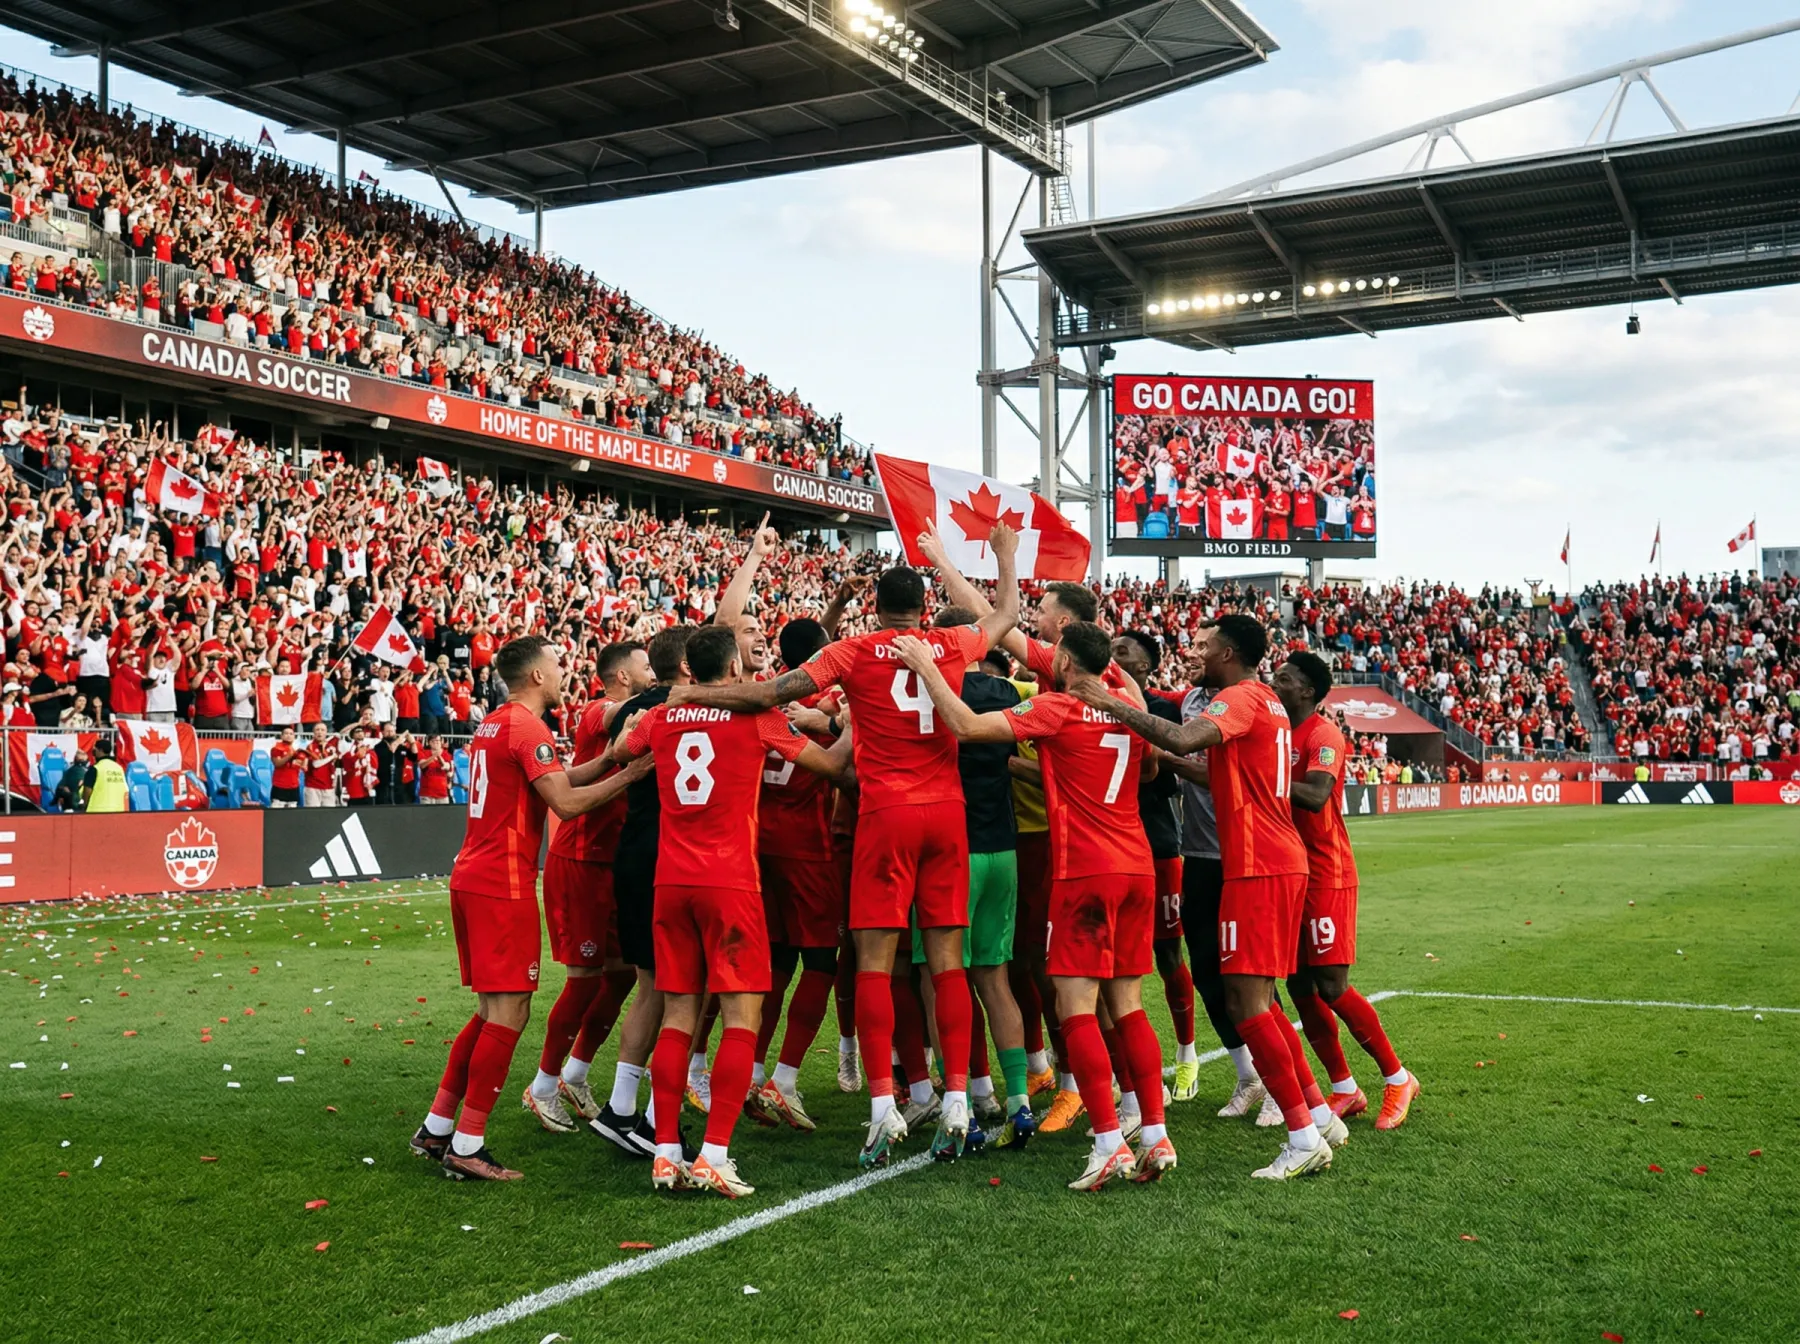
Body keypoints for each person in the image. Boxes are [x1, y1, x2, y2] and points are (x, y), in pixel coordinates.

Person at [668, 523, 1021, 1168]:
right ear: (919, 606)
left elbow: (773, 692)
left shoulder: (853, 652)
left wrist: (696, 692)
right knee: (947, 964)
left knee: (874, 965)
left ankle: (884, 1108)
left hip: (884, 815)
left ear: (875, 608)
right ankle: (958, 1102)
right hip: (948, 816)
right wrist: (1000, 556)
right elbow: (1003, 615)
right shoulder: (949, 643)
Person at [892, 622, 1175, 1190]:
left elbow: (969, 727)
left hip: (1086, 871)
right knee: (1128, 1005)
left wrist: (926, 668)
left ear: (1066, 662)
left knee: (1075, 1005)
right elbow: (1149, 769)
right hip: (1137, 864)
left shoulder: (1058, 708)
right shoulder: (1124, 705)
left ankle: (1105, 1144)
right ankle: (1154, 1135)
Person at [1070, 613, 1349, 1180]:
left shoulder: (1240, 699)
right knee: (1260, 1002)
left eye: (1204, 644)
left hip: (1257, 865)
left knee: (1248, 1005)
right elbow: (1213, 770)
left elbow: (1178, 733)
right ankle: (1319, 1116)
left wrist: (1110, 702)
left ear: (1228, 653)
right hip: (1272, 861)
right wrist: (1166, 761)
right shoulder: (1267, 702)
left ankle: (1300, 1134)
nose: (1196, 651)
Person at [615, 624, 852, 1197]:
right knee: (742, 1018)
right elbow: (831, 768)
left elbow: (619, 751)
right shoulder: (756, 717)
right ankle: (715, 1154)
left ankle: (666, 1151)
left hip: (670, 882)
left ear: (690, 672)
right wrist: (857, 723)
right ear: (737, 672)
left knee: (678, 1016)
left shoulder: (660, 716)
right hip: (730, 881)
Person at [409, 635, 650, 1182]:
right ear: (538, 675)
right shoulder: (527, 727)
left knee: (489, 1012)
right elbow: (564, 802)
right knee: (510, 1012)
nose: (565, 672)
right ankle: (468, 1144)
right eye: (558, 664)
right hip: (503, 882)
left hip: (473, 874)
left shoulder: (496, 723)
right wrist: (629, 775)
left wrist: (611, 759)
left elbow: (557, 781)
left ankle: (439, 1126)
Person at [1272, 651, 1419, 1130]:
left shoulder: (1323, 734)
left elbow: (1315, 797)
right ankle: (1344, 1088)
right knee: (1298, 985)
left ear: (1308, 691)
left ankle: (1398, 1077)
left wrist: (1260, 779)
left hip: (1326, 873)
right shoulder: (1277, 732)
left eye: (1285, 678)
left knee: (1331, 985)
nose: (1276, 682)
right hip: (1290, 871)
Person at [524, 640, 653, 1132]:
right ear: (622, 676)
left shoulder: (624, 708)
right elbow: (628, 716)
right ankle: (542, 1086)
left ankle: (574, 1074)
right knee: (583, 981)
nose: (649, 674)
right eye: (645, 668)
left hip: (612, 861)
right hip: (580, 858)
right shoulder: (602, 709)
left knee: (622, 976)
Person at [589, 626, 696, 1159]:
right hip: (676, 858)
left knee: (653, 983)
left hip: (636, 852)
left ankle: (626, 1107)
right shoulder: (706, 704)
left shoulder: (641, 708)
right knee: (680, 989)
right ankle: (650, 1115)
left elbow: (616, 742)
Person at [1110, 629, 1201, 1103]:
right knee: (1114, 966)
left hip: (1158, 843)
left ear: (1145, 666)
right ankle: (1126, 1073)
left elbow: (1170, 763)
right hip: (1109, 850)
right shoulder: (1089, 700)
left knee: (1168, 956)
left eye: (1124, 652)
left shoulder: (1164, 711)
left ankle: (1186, 1058)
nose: (1114, 655)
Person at [84, 741, 128, 814]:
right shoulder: (119, 768)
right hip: (118, 810)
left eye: (95, 749)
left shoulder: (95, 769)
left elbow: (87, 790)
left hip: (97, 812)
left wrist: (85, 805)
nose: (93, 751)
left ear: (100, 750)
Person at [268, 726, 303, 807]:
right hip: (280, 786)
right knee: (276, 813)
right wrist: (289, 756)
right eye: (286, 733)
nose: (288, 735)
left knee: (292, 814)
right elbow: (277, 764)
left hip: (294, 787)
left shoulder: (296, 751)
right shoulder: (276, 749)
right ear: (282, 736)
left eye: (291, 734)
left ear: (294, 737)